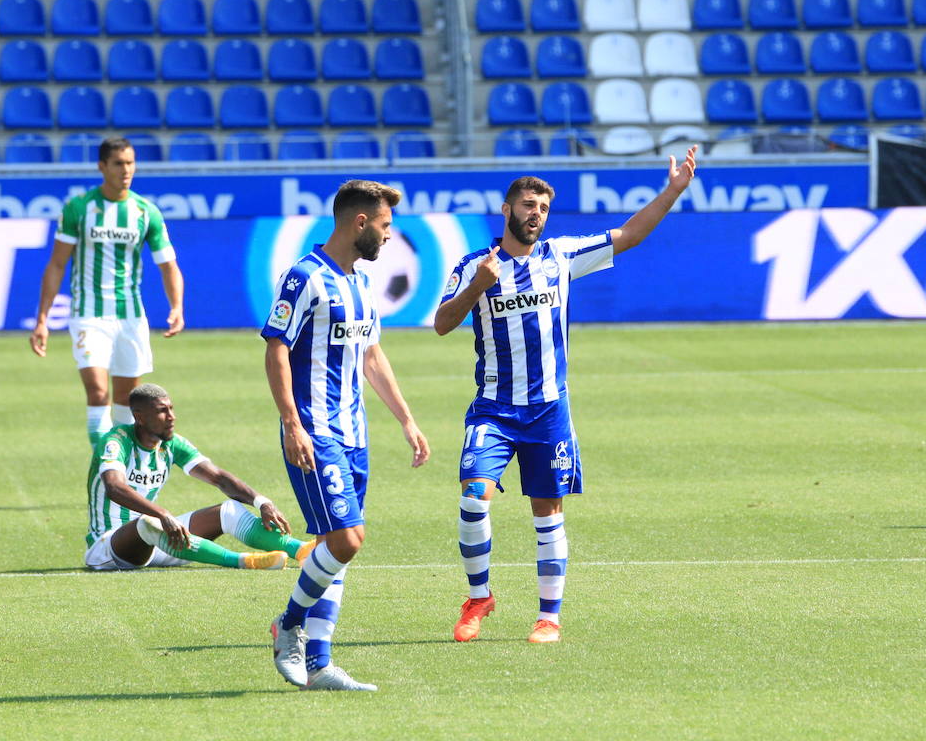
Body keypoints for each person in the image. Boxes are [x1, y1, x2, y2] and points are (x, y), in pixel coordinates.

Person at [434, 147, 698, 644]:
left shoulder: (561, 256)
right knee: (473, 497)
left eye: (544, 209)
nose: (536, 215)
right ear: (508, 209)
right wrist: (476, 289)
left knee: (547, 512)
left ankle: (548, 617)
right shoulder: (475, 265)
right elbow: (443, 323)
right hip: (493, 407)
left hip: (549, 410)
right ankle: (478, 597)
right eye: (529, 206)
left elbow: (630, 235)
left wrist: (673, 190)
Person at [264, 179, 430, 692]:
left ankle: (320, 663)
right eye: (384, 227)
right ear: (359, 222)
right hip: (315, 432)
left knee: (333, 547)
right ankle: (287, 624)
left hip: (356, 435)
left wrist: (406, 419)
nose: (387, 237)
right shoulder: (304, 278)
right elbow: (275, 350)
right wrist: (292, 423)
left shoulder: (359, 283)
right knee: (347, 540)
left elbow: (372, 358)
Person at [30, 136, 185, 448]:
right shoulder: (79, 209)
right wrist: (42, 319)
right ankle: (106, 471)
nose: (125, 170)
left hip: (130, 316)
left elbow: (168, 265)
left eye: (130, 163)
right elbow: (57, 264)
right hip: (89, 314)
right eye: (118, 163)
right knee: (98, 393)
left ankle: (123, 473)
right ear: (102, 166)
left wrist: (177, 306)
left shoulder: (146, 212)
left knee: (129, 403)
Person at [85, 383, 313, 572]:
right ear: (140, 417)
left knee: (229, 510)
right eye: (162, 411)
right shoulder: (116, 441)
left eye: (171, 409)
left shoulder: (171, 444)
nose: (171, 417)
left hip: (164, 543)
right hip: (110, 547)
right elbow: (115, 487)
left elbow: (218, 477)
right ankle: (245, 561)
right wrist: (162, 513)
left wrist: (261, 501)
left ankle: (303, 550)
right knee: (148, 522)